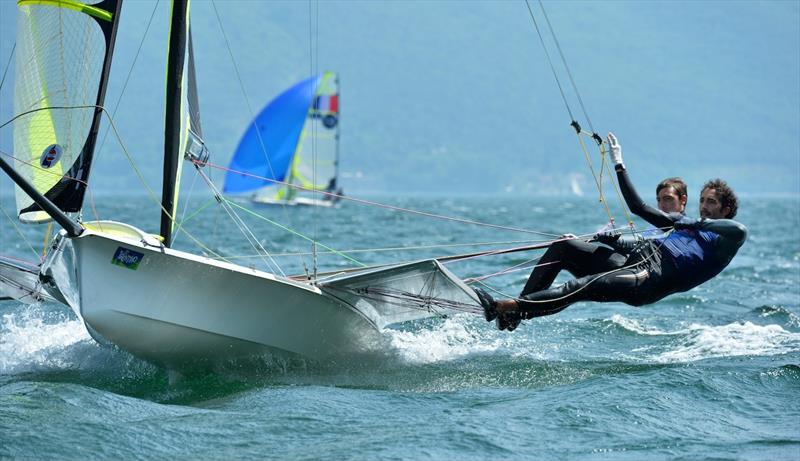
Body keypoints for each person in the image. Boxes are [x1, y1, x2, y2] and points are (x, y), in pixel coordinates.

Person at [475, 133, 748, 331]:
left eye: (711, 202)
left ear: (726, 209)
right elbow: (637, 207)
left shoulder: (723, 242)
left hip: (647, 280)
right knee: (564, 247)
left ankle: (503, 307)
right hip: (632, 262)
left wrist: (697, 224)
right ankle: (514, 315)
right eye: (703, 200)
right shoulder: (681, 224)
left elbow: (740, 230)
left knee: (580, 287)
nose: (705, 206)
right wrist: (620, 165)